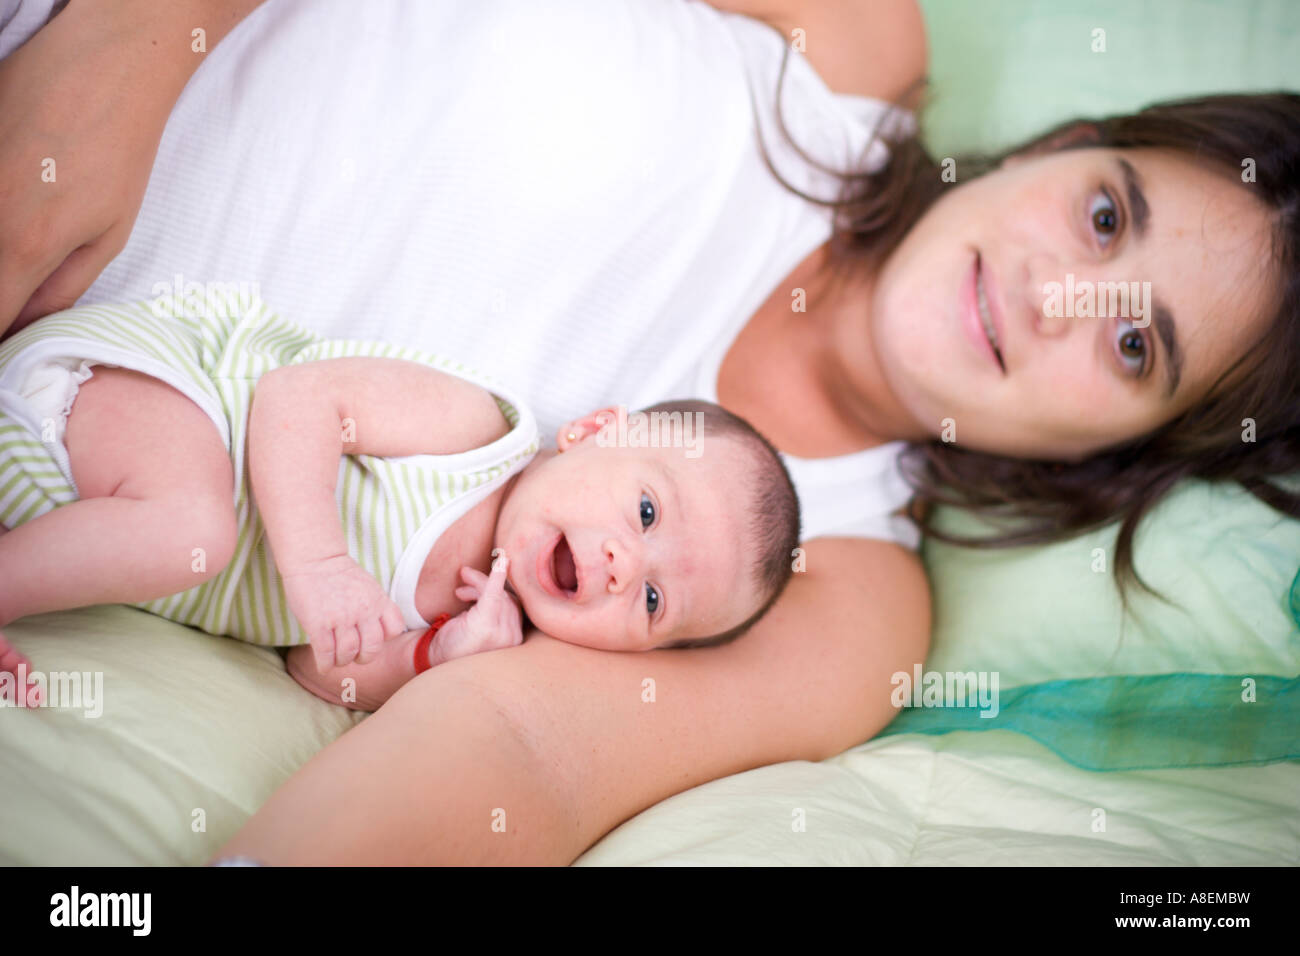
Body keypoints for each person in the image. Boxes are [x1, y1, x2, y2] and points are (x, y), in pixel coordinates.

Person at [1, 0, 1295, 865]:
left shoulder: (850, 593)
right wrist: (108, 58)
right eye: (1107, 219)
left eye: (1137, 346)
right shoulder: (847, 34)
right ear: (1063, 147)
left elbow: (525, 755)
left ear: (1124, 450)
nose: (1053, 295)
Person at [0, 296, 800, 712]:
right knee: (190, 530)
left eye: (656, 599)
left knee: (177, 534)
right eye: (649, 513)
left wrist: (436, 659)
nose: (628, 566)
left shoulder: (487, 635)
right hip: (156, 396)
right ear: (592, 432)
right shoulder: (476, 438)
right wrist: (319, 567)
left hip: (61, 502)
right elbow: (294, 399)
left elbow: (316, 669)